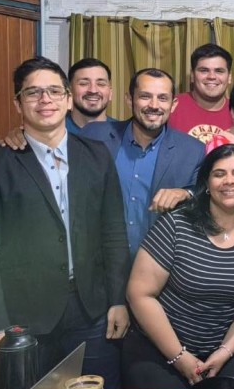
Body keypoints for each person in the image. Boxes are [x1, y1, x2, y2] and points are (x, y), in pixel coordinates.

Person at [0, 57, 130, 388]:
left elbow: (113, 233)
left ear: (68, 100)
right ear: (18, 103)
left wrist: (117, 300)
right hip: (25, 316)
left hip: (92, 311)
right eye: (33, 92)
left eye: (55, 91)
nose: (45, 100)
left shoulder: (97, 154)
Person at [124, 144, 234, 389]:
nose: (229, 181)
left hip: (225, 347)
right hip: (160, 346)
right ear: (206, 184)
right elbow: (139, 294)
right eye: (219, 174)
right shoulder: (176, 225)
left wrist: (225, 352)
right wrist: (179, 357)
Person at [79, 68, 205, 256]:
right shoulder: (94, 135)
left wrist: (186, 193)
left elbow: (205, 194)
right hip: (99, 262)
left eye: (162, 98)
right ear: (129, 99)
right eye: (145, 96)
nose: (154, 105)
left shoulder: (192, 150)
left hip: (160, 264)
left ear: (173, 104)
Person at [168, 43, 234, 143]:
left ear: (229, 77)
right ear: (192, 76)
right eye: (204, 70)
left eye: (219, 71)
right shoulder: (171, 106)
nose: (212, 76)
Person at [65, 57, 116, 135]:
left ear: (110, 93)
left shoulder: (124, 134)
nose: (93, 90)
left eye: (101, 84)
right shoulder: (53, 132)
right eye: (84, 83)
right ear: (69, 92)